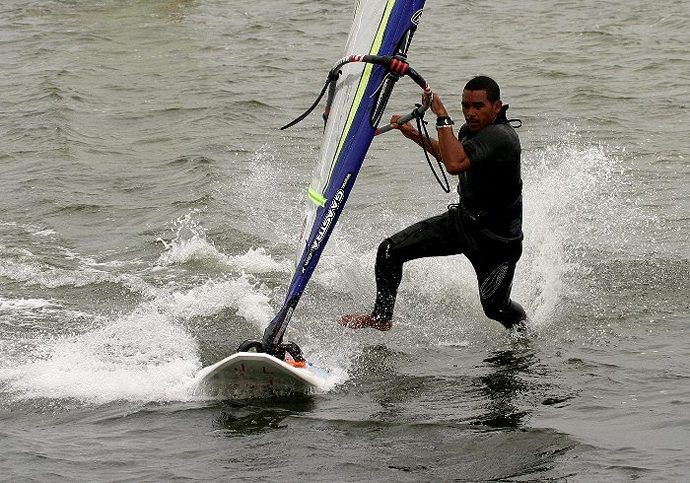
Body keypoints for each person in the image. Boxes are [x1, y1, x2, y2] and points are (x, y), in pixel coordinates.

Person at [339, 75, 527, 332]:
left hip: (496, 243)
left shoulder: (502, 137)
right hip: (463, 224)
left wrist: (441, 115)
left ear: (496, 106)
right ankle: (381, 318)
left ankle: (525, 332)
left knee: (496, 309)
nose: (470, 113)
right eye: (465, 105)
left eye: (478, 106)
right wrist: (415, 135)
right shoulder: (468, 132)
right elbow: (451, 154)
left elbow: (453, 164)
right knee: (389, 251)